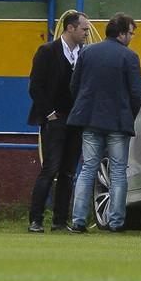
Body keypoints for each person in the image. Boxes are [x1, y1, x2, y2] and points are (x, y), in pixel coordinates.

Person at [67, 12, 141, 233]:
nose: (131, 37)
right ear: (121, 34)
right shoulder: (130, 57)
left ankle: (78, 221)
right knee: (118, 171)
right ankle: (116, 222)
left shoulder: (87, 52)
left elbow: (75, 85)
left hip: (90, 120)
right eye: (130, 33)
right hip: (118, 122)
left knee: (88, 168)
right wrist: (130, 115)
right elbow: (136, 94)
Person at [26, 12, 90, 233]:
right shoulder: (47, 52)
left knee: (68, 171)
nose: (86, 33)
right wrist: (50, 113)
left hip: (75, 120)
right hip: (55, 119)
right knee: (50, 169)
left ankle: (60, 221)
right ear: (70, 28)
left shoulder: (84, 55)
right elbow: (35, 86)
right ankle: (35, 219)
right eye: (84, 29)